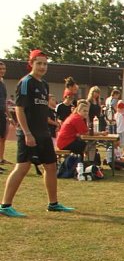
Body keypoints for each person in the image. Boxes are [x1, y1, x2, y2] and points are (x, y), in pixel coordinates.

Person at [0, 50, 75, 217]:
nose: (42, 66)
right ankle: (5, 205)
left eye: (45, 63)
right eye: (39, 63)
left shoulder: (44, 84)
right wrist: (27, 133)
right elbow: (19, 110)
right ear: (31, 64)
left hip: (43, 134)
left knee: (51, 166)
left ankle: (53, 204)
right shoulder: (26, 82)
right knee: (22, 167)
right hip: (29, 134)